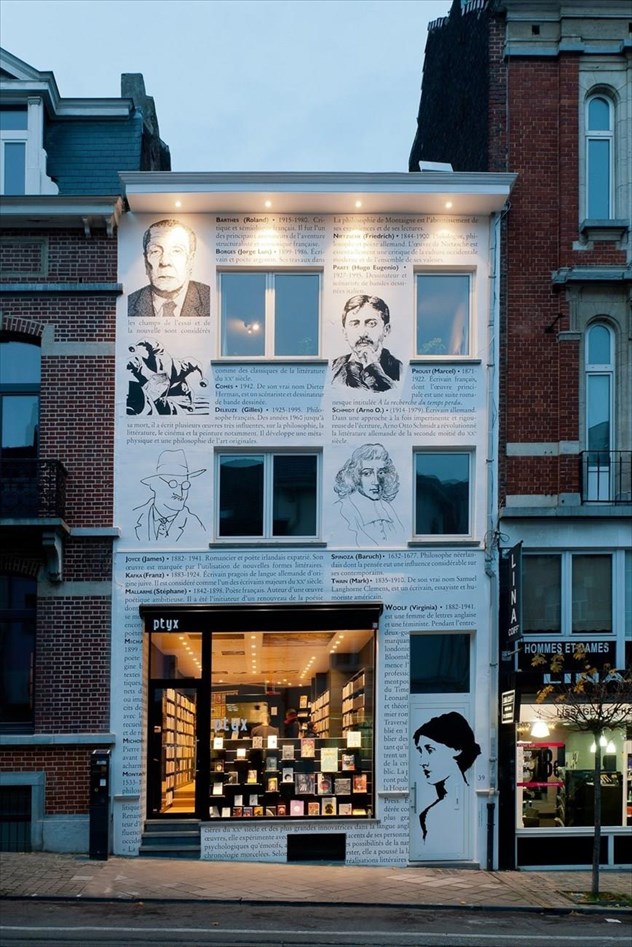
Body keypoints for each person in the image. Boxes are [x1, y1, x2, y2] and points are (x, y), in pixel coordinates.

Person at [412, 712, 481, 841]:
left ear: (457, 749)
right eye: (420, 751)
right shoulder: (468, 798)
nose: (422, 762)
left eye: (430, 750)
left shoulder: (433, 815)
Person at [127, 219, 210, 318]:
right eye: (155, 251)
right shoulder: (129, 304)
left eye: (176, 251)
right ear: (146, 262)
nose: (165, 262)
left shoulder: (209, 299)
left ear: (190, 260)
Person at [334, 443, 404, 546]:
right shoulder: (341, 509)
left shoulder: (386, 507)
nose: (376, 481)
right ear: (355, 477)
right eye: (367, 473)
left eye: (380, 473)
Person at [331, 295, 402, 391]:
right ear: (345, 332)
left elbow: (395, 394)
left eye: (371, 323)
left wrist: (373, 368)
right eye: (354, 324)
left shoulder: (399, 369)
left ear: (386, 329)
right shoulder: (333, 368)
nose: (362, 333)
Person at [134, 449, 206, 542]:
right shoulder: (134, 517)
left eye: (185, 485)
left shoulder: (194, 525)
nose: (180, 493)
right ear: (154, 484)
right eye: (173, 484)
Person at [126, 339, 208, 415]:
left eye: (187, 367)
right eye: (184, 364)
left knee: (162, 383)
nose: (185, 366)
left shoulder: (181, 382)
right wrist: (136, 345)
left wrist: (191, 404)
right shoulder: (165, 357)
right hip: (150, 374)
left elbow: (190, 391)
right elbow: (149, 341)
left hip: (156, 383)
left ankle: (153, 401)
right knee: (140, 368)